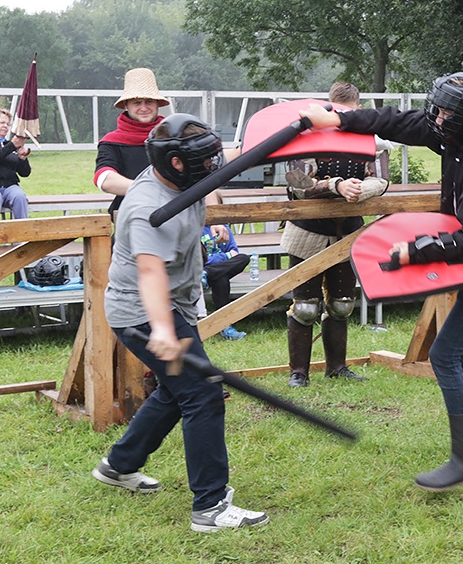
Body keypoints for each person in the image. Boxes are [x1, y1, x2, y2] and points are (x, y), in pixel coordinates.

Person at [298, 71, 463, 491]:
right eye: (439, 107)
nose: (437, 117)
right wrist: (339, 120)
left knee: (446, 356)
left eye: (447, 112)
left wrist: (416, 251)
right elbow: (402, 123)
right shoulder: (461, 133)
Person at [91, 113, 268, 532]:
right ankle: (210, 507)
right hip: (144, 313)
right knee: (203, 394)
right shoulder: (147, 207)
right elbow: (150, 272)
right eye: (206, 161)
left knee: (176, 392)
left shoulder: (188, 177)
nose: (214, 166)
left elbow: (243, 158)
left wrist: (300, 126)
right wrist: (165, 332)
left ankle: (120, 465)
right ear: (175, 162)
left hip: (171, 305)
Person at [280, 81, 389, 388]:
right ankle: (298, 372)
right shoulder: (308, 135)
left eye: (350, 112)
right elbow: (298, 185)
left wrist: (359, 190)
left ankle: (337, 367)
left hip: (347, 230)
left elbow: (381, 179)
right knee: (305, 307)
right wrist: (336, 185)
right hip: (308, 231)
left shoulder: (368, 137)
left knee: (342, 304)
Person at [94, 68, 170, 218]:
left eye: (149, 101)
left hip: (177, 217)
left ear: (157, 105)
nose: (144, 108)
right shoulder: (111, 142)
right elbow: (104, 178)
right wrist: (150, 189)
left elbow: (200, 176)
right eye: (137, 102)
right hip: (131, 219)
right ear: (126, 106)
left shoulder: (175, 136)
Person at [201, 224, 250, 340]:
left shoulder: (225, 228)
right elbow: (200, 258)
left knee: (244, 258)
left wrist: (212, 264)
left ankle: (207, 273)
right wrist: (226, 256)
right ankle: (224, 326)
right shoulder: (196, 228)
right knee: (221, 278)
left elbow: (235, 254)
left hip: (211, 270)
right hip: (214, 268)